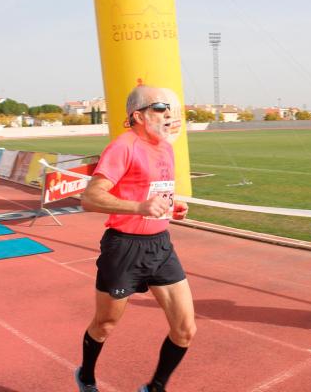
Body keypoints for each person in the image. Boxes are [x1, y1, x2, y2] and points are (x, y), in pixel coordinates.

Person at [75, 85, 195, 392]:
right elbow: (90, 198)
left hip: (160, 245)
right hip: (123, 247)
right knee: (105, 325)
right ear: (138, 116)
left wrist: (171, 207)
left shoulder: (166, 147)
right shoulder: (123, 146)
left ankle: (155, 388)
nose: (169, 114)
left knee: (185, 330)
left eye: (171, 109)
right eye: (160, 108)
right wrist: (139, 207)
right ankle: (86, 375)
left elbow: (155, 193)